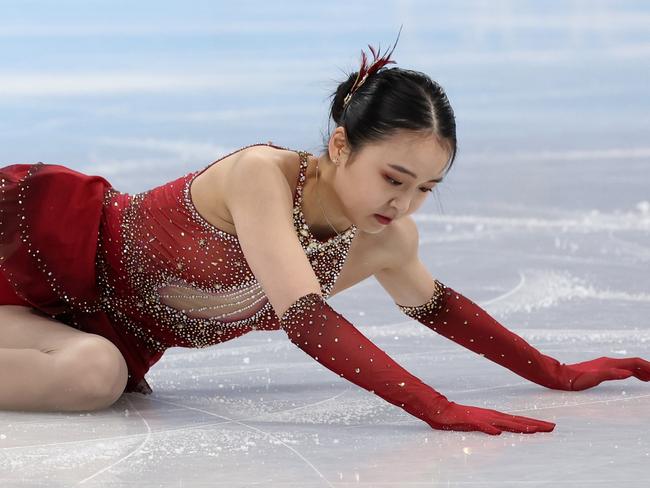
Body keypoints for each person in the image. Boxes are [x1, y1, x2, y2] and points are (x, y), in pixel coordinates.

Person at [1, 33, 649, 435]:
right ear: (340, 145)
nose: (404, 203)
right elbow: (305, 318)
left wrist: (556, 373)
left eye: (426, 189)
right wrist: (436, 409)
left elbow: (439, 308)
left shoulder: (385, 242)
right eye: (393, 177)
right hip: (36, 251)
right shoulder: (259, 176)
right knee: (96, 374)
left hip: (91, 331)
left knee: (96, 376)